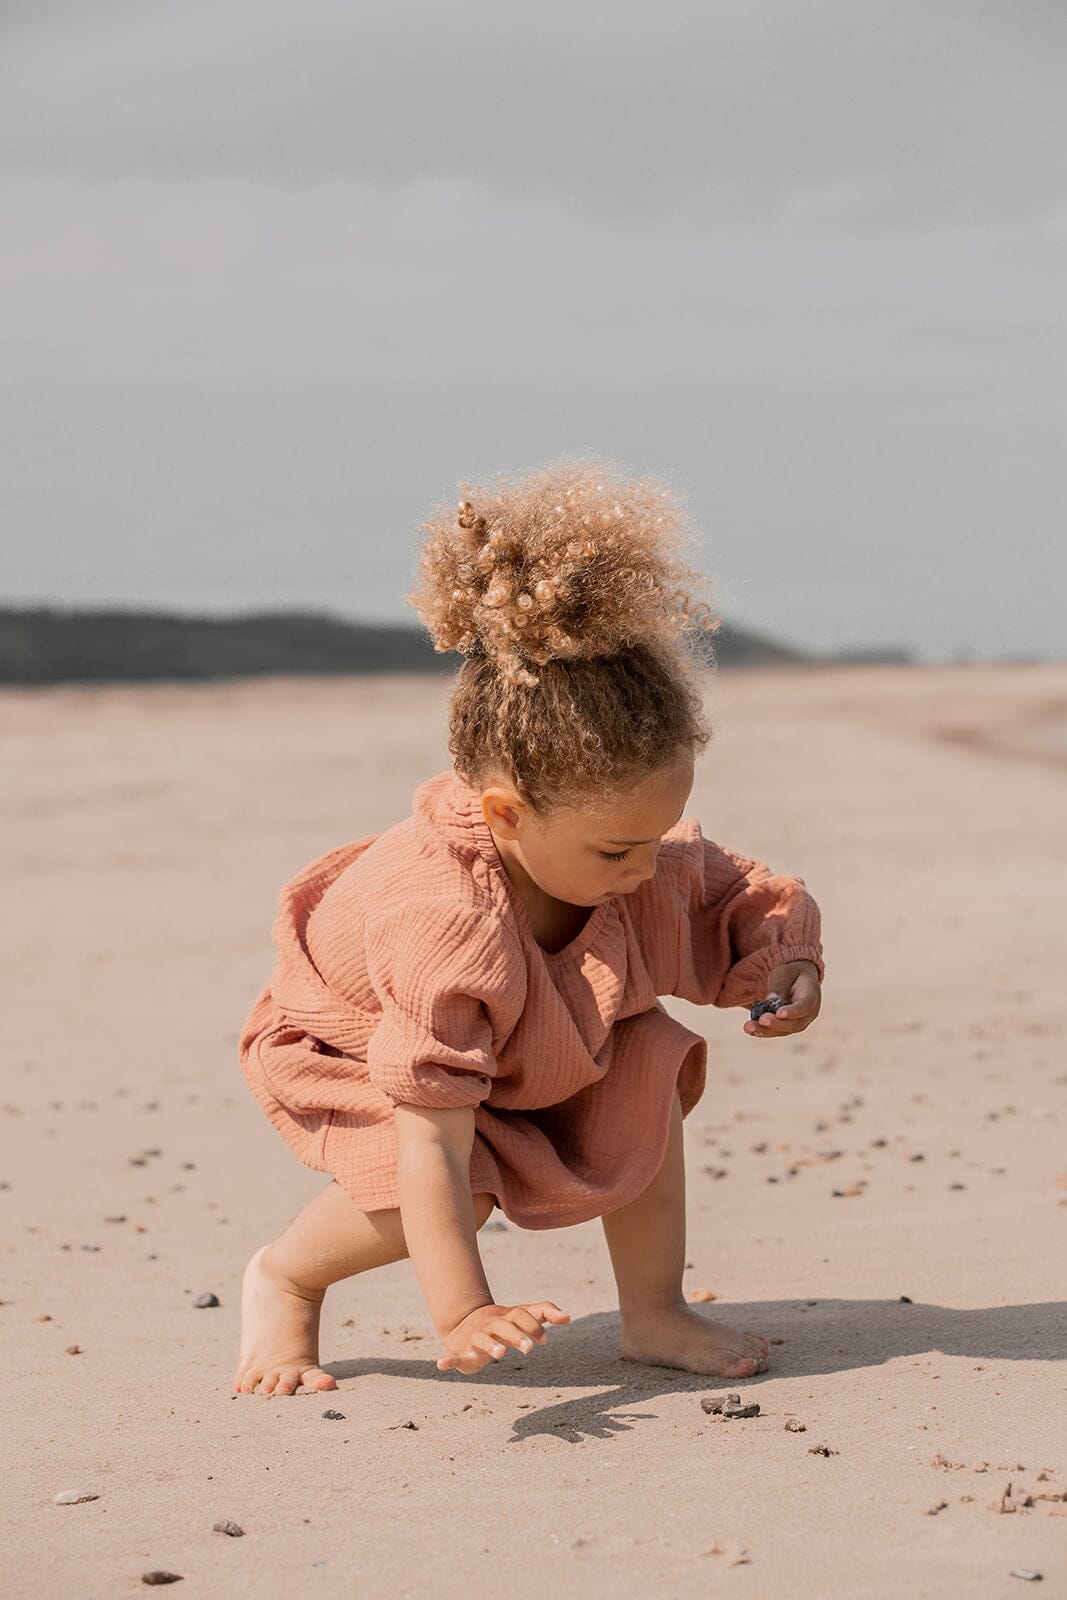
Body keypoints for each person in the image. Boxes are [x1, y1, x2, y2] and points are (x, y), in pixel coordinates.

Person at [233, 458, 824, 1397]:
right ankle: (286, 1279)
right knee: (449, 1188)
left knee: (647, 1067)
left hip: (526, 1032)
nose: (645, 871)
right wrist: (463, 1310)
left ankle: (653, 1311)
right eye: (616, 852)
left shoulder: (626, 847)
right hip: (365, 1046)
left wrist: (784, 966)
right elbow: (433, 1135)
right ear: (506, 815)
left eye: (656, 836)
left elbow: (725, 892)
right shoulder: (444, 919)